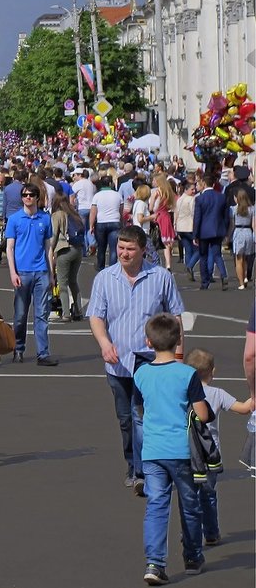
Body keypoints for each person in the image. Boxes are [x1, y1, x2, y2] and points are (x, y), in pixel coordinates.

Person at [88, 225, 185, 497]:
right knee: (124, 420)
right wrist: (105, 343)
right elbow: (96, 316)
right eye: (120, 247)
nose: (124, 253)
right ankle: (132, 464)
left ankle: (144, 473)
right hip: (117, 362)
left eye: (130, 248)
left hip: (150, 361)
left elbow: (175, 317)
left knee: (141, 417)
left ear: (143, 249)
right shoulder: (105, 278)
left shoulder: (161, 277)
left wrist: (178, 357)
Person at [133, 313, 210, 585]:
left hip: (153, 451)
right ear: (178, 340)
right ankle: (192, 555)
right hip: (181, 450)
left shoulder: (141, 373)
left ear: (148, 341)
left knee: (156, 505)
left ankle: (154, 563)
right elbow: (201, 413)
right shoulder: (187, 374)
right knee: (189, 505)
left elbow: (139, 408)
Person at [182, 348, 255, 547]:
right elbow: (242, 408)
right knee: (208, 495)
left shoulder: (183, 391)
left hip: (187, 452)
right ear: (212, 372)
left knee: (189, 495)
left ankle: (189, 532)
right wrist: (253, 397)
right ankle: (211, 533)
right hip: (210, 455)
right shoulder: (217, 394)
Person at [5, 183, 57, 365]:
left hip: (41, 271)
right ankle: (18, 348)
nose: (28, 198)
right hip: (22, 272)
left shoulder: (45, 218)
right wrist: (13, 272)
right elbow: (9, 248)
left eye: (31, 195)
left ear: (37, 197)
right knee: (20, 315)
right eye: (25, 195)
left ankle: (43, 353)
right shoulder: (14, 219)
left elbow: (48, 247)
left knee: (41, 314)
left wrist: (51, 273)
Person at [50, 193, 85, 322]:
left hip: (64, 250)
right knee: (73, 281)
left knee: (62, 283)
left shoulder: (57, 215)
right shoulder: (75, 214)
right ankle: (78, 310)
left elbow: (54, 235)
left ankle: (66, 313)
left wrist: (51, 251)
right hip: (78, 249)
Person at [192, 172, 229, 290]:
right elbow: (226, 216)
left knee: (203, 256)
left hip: (204, 230)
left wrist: (195, 234)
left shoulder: (200, 198)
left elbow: (197, 218)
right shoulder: (221, 197)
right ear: (213, 184)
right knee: (217, 254)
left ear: (203, 184)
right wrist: (225, 229)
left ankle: (205, 281)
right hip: (217, 229)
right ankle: (223, 275)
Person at [90, 176, 123, 271]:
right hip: (115, 221)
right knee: (113, 248)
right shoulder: (117, 195)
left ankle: (101, 268)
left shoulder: (97, 195)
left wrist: (91, 225)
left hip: (101, 222)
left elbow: (93, 211)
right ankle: (112, 269)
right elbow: (121, 211)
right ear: (110, 183)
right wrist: (122, 222)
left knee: (101, 247)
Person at [228, 190, 254, 289]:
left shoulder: (234, 209)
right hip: (248, 232)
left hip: (238, 232)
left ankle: (241, 283)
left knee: (239, 259)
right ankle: (246, 276)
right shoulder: (252, 209)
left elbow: (232, 225)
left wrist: (228, 236)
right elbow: (253, 225)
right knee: (246, 258)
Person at [151, 176, 177, 271]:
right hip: (166, 216)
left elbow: (151, 207)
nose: (153, 181)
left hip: (158, 216)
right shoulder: (168, 192)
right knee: (166, 242)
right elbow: (172, 206)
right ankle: (168, 264)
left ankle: (156, 262)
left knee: (156, 239)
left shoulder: (156, 192)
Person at [174, 179, 199, 281]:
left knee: (188, 250)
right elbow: (194, 214)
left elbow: (176, 213)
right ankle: (190, 266)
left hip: (180, 227)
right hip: (189, 227)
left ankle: (189, 269)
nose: (194, 191)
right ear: (186, 189)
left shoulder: (179, 199)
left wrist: (175, 226)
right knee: (199, 249)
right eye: (192, 189)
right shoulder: (191, 200)